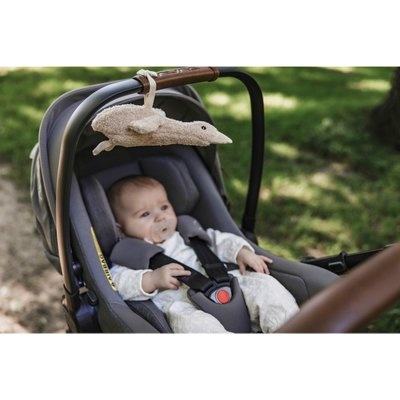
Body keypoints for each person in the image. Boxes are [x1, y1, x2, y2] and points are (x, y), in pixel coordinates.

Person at [107, 176, 299, 333]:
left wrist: (241, 251)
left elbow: (218, 240)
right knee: (192, 325)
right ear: (120, 229)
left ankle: (290, 330)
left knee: (266, 287)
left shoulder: (188, 231)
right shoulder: (129, 255)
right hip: (182, 303)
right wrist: (152, 279)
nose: (160, 217)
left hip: (227, 282)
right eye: (145, 214)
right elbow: (117, 282)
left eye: (164, 207)